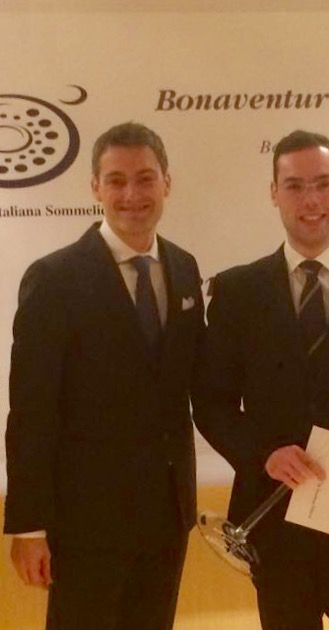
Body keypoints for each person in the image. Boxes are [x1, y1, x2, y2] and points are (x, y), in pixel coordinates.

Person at [194, 129, 329, 630]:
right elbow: (211, 403)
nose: (310, 200)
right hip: (274, 519)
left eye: (322, 184)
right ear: (274, 193)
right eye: (294, 186)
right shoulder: (236, 292)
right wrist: (263, 454)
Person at [4, 122, 204, 630]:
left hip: (167, 516)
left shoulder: (184, 268)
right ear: (95, 187)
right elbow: (31, 409)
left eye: (145, 178)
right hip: (84, 522)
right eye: (116, 180)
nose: (131, 194)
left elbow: (192, 379)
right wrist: (28, 525)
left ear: (166, 183)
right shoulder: (55, 279)